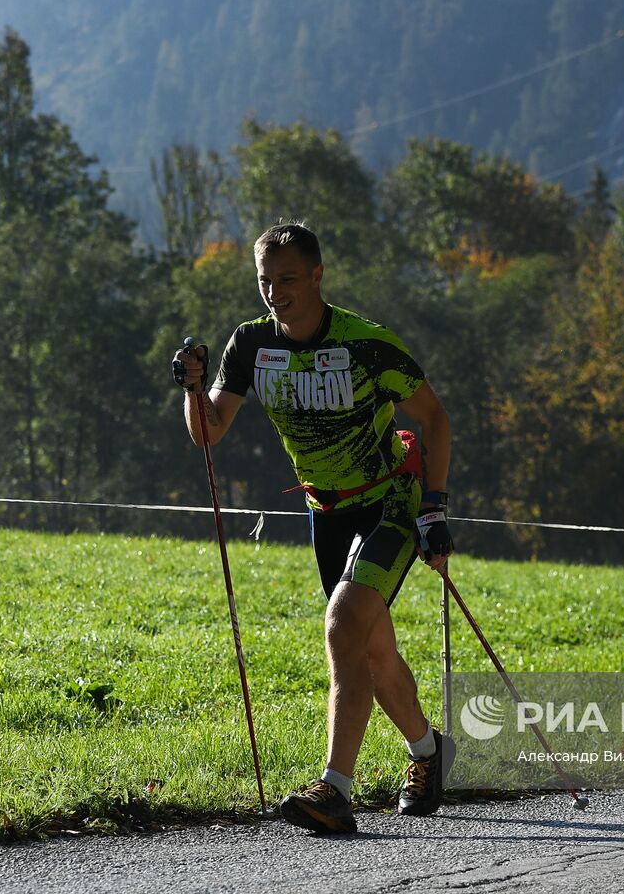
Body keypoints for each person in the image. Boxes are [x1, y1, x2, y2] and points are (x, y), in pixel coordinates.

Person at [173, 222, 456, 834]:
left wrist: (433, 507)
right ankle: (430, 753)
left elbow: (434, 419)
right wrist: (193, 387)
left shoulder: (366, 343)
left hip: (390, 503)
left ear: (318, 276)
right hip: (325, 512)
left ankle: (335, 790)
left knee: (342, 625)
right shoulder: (249, 345)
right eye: (265, 281)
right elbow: (208, 430)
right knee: (374, 652)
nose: (276, 293)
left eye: (289, 280)